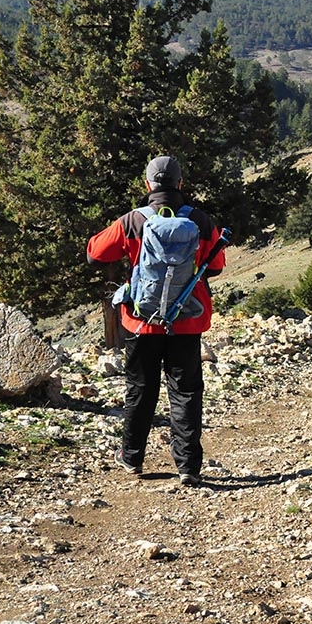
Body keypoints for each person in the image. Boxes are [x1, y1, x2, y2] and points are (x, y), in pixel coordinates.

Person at [86, 155, 225, 487]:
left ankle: (132, 458)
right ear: (180, 184)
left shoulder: (134, 221)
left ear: (147, 185)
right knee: (186, 390)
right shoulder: (203, 221)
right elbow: (217, 265)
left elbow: (94, 253)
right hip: (187, 320)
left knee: (140, 388)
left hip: (141, 321)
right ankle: (188, 466)